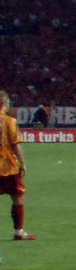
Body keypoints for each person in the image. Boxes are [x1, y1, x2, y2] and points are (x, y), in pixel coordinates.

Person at [0, 91, 32, 240]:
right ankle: (19, 231)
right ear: (5, 104)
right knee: (17, 197)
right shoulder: (9, 121)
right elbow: (15, 144)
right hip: (8, 166)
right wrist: (23, 163)